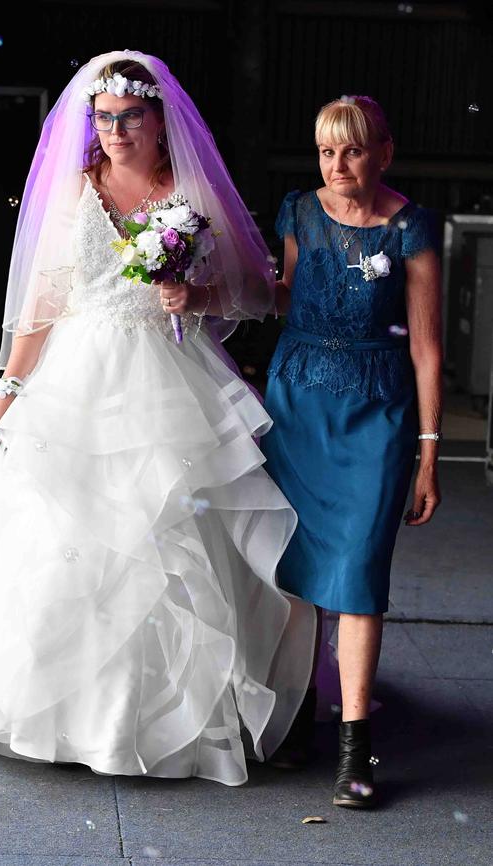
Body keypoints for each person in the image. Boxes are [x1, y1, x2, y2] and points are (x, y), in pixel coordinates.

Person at [0, 50, 317, 787]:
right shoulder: (76, 190)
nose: (115, 130)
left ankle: (164, 718)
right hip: (80, 374)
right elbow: (46, 301)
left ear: (158, 120)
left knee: (174, 536)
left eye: (130, 117)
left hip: (166, 373)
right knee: (61, 535)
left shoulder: (189, 191)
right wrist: (11, 386)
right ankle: (58, 712)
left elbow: (254, 291)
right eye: (104, 118)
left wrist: (197, 298)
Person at [261, 95, 443, 807]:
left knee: (360, 573)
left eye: (354, 151)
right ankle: (302, 718)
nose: (338, 166)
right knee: (301, 568)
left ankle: (355, 746)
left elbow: (427, 350)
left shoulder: (411, 229)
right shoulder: (299, 213)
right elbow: (286, 294)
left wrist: (430, 451)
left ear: (384, 154)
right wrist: (208, 282)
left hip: (378, 412)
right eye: (326, 152)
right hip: (297, 404)